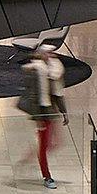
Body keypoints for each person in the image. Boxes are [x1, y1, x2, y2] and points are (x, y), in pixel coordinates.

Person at [20, 42, 67, 184]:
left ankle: (30, 157)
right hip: (42, 111)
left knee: (55, 143)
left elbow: (58, 93)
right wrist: (38, 118)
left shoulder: (54, 69)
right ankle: (46, 175)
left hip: (52, 110)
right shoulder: (37, 71)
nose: (52, 55)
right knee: (44, 145)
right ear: (42, 55)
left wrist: (64, 112)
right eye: (49, 53)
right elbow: (34, 96)